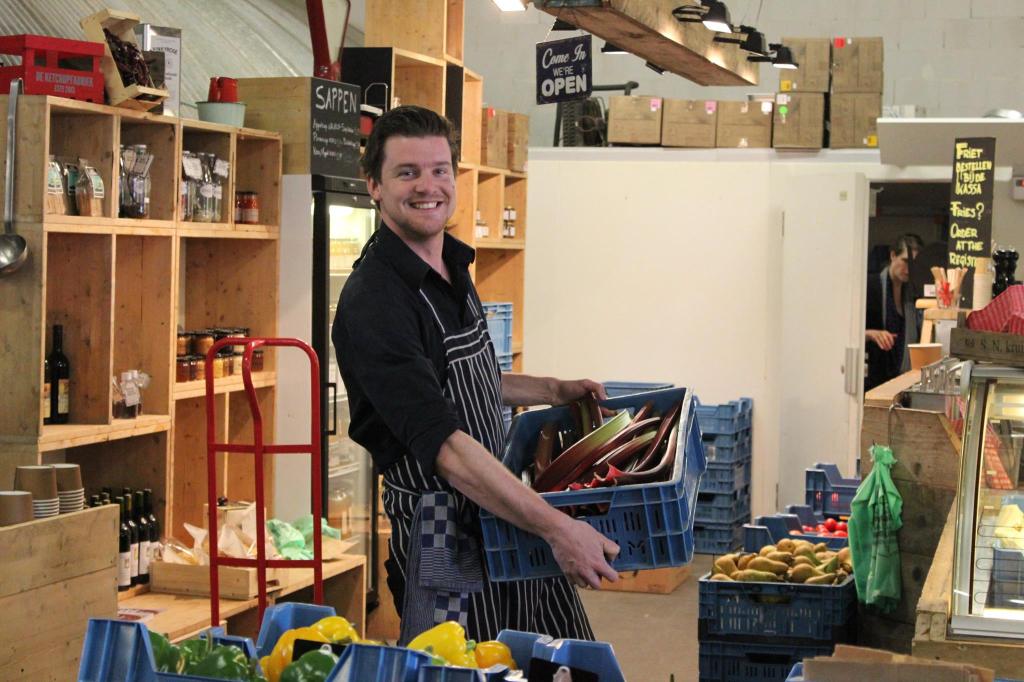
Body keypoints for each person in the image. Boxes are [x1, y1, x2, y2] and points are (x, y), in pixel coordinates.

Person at [332, 105, 619, 644]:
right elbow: (442, 443)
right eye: (407, 172)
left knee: (558, 664)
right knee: (474, 667)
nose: (428, 186)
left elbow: (470, 379)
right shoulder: (376, 300)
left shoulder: (451, 266)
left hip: (507, 510)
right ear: (373, 185)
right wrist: (557, 529)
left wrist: (552, 389)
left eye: (440, 170)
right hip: (448, 536)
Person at [865, 233, 923, 390]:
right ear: (893, 255)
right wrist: (871, 333)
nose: (909, 269)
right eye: (905, 261)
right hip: (872, 380)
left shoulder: (913, 296)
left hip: (902, 383)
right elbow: (845, 334)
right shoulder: (870, 286)